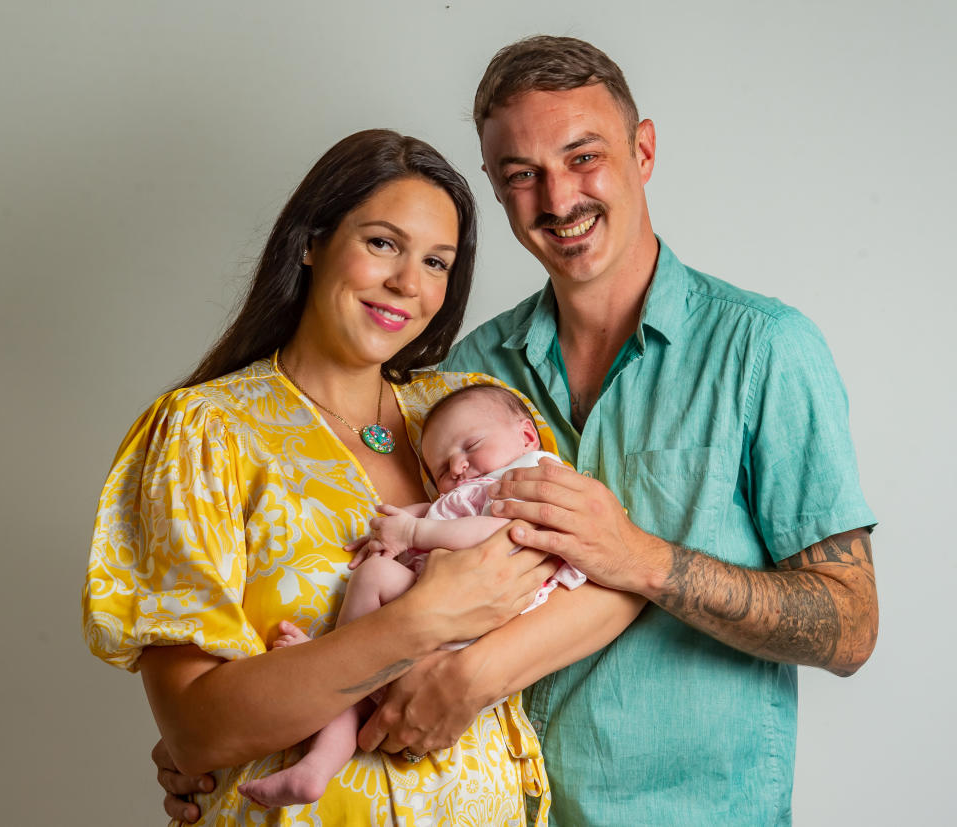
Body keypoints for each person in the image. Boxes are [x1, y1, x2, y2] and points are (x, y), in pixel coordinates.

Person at [157, 36, 879, 826]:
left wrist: (638, 557)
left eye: (583, 156)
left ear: (643, 152)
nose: (559, 198)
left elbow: (849, 625)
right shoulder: (469, 377)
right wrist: (225, 733)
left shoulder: (763, 352)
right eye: (521, 175)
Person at [84, 128, 637, 826]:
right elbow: (196, 729)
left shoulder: (473, 414)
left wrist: (470, 678)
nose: (410, 283)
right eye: (383, 244)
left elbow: (613, 581)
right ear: (311, 242)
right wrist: (419, 621)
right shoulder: (204, 431)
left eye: (437, 262)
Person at [236, 384, 584, 810]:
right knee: (372, 598)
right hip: (438, 632)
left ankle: (331, 660)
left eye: (471, 446)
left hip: (486, 633)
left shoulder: (534, 475)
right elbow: (439, 511)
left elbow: (504, 533)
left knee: (376, 580)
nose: (457, 467)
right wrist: (395, 527)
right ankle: (319, 764)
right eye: (440, 467)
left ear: (527, 437)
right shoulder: (471, 491)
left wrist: (416, 533)